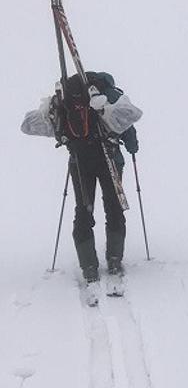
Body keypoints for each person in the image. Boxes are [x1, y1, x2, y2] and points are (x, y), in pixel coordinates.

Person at [21, 72, 142, 284]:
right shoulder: (110, 94)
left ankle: (88, 266)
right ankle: (114, 259)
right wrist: (132, 148)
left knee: (84, 209)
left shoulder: (66, 99)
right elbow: (128, 127)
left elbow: (30, 125)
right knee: (114, 206)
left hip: (80, 161)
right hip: (110, 159)